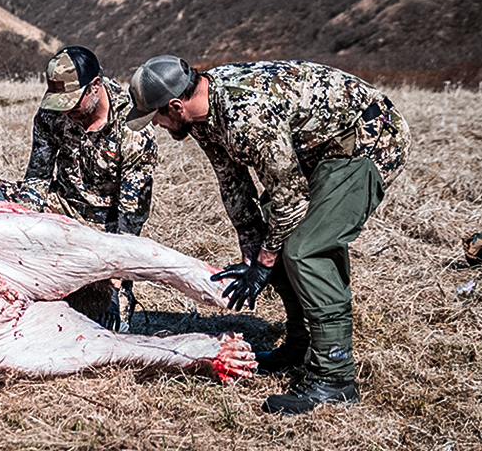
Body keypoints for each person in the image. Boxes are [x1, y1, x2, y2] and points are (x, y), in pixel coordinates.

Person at [125, 56, 410, 414]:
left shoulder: (247, 116)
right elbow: (232, 181)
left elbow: (289, 199)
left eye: (157, 118)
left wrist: (265, 261)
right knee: (273, 244)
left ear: (176, 106)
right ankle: (299, 347)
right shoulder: (201, 115)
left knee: (307, 250)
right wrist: (251, 250)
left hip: (366, 139)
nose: (160, 126)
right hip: (313, 148)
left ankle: (335, 378)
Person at [0, 46, 159, 330]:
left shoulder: (134, 130)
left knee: (110, 328)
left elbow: (132, 217)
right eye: (59, 102)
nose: (66, 111)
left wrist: (114, 274)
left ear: (95, 87)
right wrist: (25, 228)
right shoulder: (51, 114)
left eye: (72, 102)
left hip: (107, 231)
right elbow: (37, 178)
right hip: (62, 206)